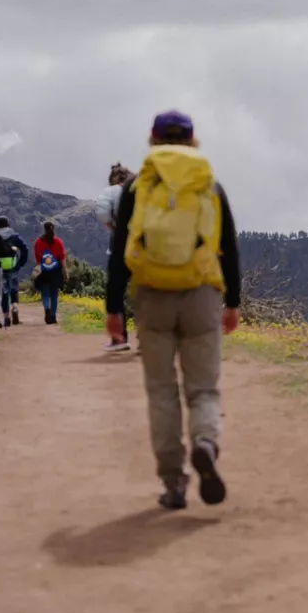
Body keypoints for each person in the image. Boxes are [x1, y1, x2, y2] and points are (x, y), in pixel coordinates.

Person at [106, 109, 241, 510]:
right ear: (192, 139)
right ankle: (205, 441)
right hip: (201, 293)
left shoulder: (137, 186)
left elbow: (119, 253)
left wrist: (113, 307)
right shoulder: (208, 183)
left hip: (151, 295)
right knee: (203, 387)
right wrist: (233, 300)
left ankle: (174, 482)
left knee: (162, 392)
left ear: (153, 137)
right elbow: (228, 245)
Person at [96, 163, 135, 352]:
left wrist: (114, 227)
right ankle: (148, 340)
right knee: (144, 294)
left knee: (117, 292)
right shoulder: (140, 190)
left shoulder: (111, 191)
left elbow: (102, 213)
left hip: (120, 247)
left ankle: (119, 338)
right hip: (143, 247)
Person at [0, 216, 29, 327]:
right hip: (12, 266)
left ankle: (6, 317)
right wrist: (21, 262)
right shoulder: (14, 236)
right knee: (14, 289)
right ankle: (14, 306)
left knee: (3, 292)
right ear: (7, 224)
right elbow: (25, 248)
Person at [32, 221, 68, 324]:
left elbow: (38, 260)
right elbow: (62, 259)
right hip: (56, 272)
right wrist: (66, 273)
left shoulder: (38, 242)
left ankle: (47, 308)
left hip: (44, 271)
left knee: (45, 293)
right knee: (54, 294)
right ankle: (53, 316)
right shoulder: (58, 242)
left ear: (44, 229)